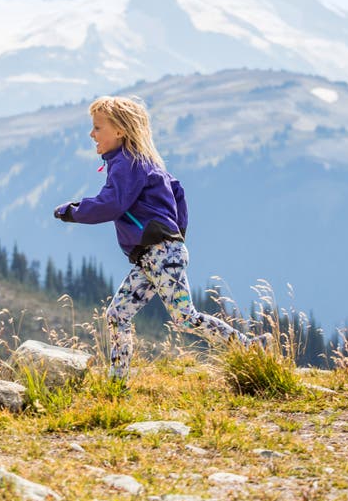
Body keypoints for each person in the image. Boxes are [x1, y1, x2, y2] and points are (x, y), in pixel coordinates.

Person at [53, 95, 261, 382]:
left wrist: (72, 212)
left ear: (119, 131)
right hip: (152, 255)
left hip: (159, 253)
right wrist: (175, 234)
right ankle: (116, 382)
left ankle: (249, 348)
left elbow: (112, 203)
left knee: (184, 317)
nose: (92, 134)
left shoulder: (127, 163)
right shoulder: (143, 162)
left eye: (97, 127)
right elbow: (178, 192)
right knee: (117, 314)